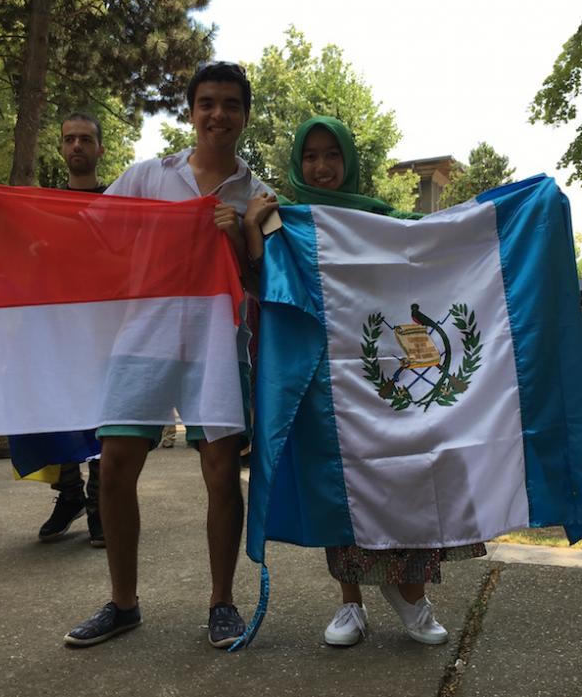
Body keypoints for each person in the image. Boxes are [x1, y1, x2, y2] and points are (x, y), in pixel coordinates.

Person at [243, 116, 486, 647]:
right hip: (324, 377)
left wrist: (501, 215)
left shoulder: (380, 218)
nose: (322, 166)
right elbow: (267, 291)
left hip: (392, 373)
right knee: (339, 485)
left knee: (415, 476)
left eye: (332, 155)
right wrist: (250, 231)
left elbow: (429, 247)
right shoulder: (284, 221)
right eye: (311, 157)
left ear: (348, 160)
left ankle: (414, 597)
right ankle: (350, 605)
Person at [64, 62, 266, 649]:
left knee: (223, 473)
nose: (218, 114)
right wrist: (3, 209)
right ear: (191, 110)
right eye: (207, 102)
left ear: (245, 115)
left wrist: (238, 235)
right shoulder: (149, 176)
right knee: (116, 468)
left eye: (231, 104)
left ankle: (222, 603)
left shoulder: (255, 195)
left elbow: (261, 284)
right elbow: (91, 238)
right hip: (144, 337)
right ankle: (122, 603)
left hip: (218, 341)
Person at [34, 113, 108, 547]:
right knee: (58, 410)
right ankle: (69, 496)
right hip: (58, 325)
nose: (77, 145)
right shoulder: (42, 205)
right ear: (61, 149)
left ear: (99, 149)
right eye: (69, 139)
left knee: (103, 415)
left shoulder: (120, 198)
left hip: (104, 324)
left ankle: (101, 503)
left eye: (85, 139)